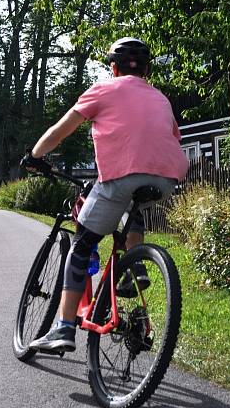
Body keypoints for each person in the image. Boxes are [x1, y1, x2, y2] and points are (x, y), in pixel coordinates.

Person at [22, 37, 189, 353]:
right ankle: (135, 266)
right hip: (167, 177)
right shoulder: (161, 98)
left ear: (113, 68)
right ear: (148, 71)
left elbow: (62, 129)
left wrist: (35, 154)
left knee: (82, 243)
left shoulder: (103, 89)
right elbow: (169, 137)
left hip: (121, 176)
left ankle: (63, 328)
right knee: (131, 205)